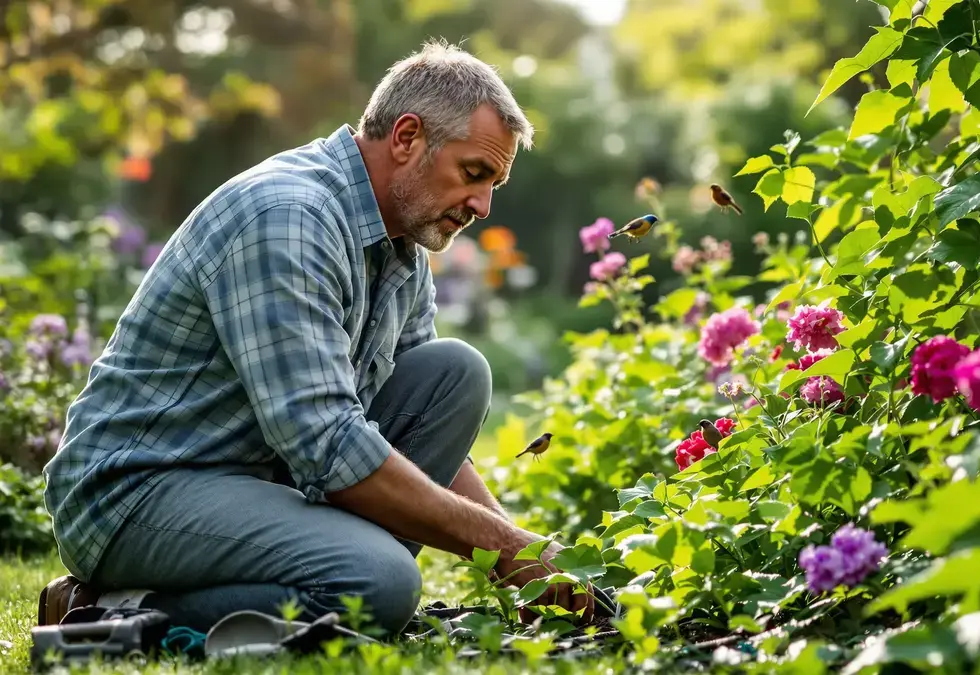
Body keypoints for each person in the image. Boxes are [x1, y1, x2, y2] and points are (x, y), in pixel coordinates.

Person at [38, 39, 593, 634]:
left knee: (454, 372)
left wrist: (518, 558)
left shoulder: (401, 242)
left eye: (494, 186)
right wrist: (504, 545)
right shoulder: (288, 217)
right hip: (141, 489)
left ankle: (325, 579)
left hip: (257, 475)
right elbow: (327, 444)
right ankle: (98, 610)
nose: (483, 205)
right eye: (474, 173)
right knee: (378, 582)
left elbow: (405, 435)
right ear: (406, 138)